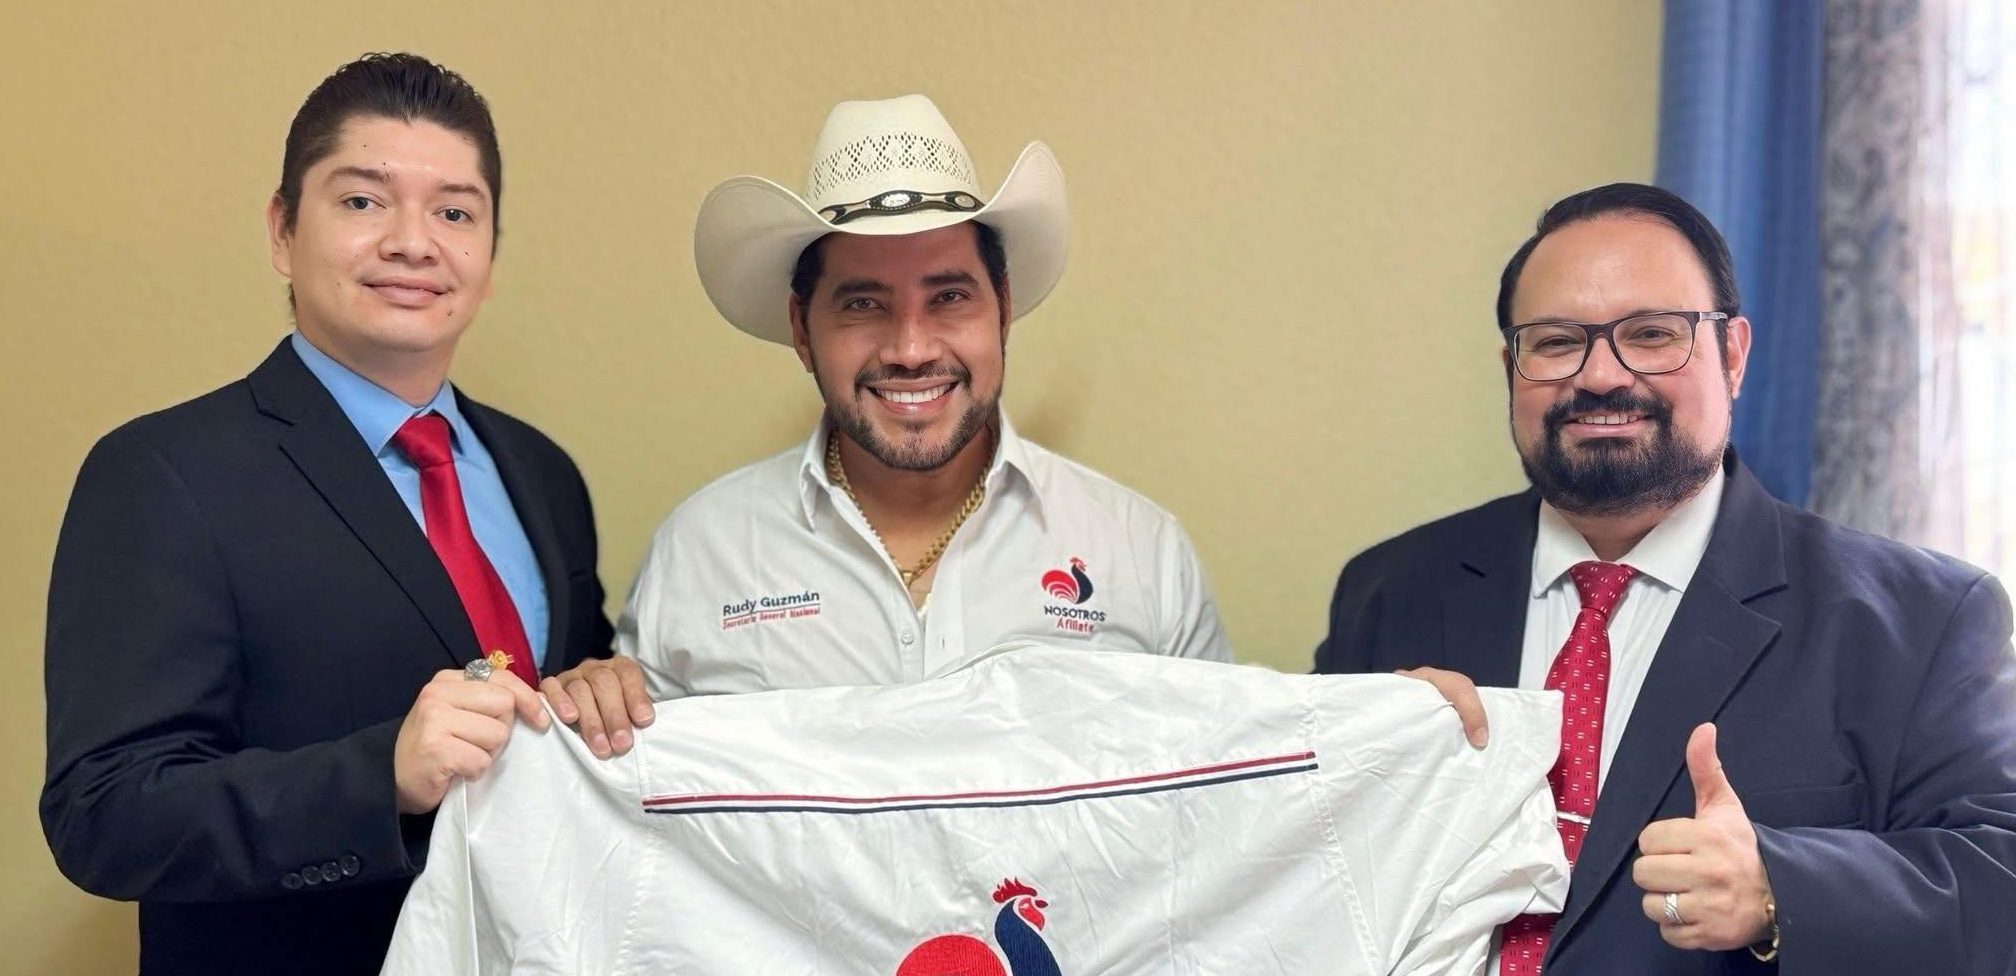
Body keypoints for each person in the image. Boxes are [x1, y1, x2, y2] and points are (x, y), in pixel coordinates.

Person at [1314, 182, 2016, 973]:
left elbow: (2013, 891)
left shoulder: (1921, 620)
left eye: (1652, 334)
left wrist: (1780, 888)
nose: (1600, 375)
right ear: (1511, 370)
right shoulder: (1391, 592)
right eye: (1556, 342)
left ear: (1733, 356)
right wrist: (1354, 781)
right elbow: (1298, 880)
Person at [40, 53, 614, 975]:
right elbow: (103, 812)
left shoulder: (542, 473)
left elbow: (566, 708)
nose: (413, 243)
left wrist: (602, 688)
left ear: (489, 256)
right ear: (282, 230)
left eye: (455, 212)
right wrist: (380, 775)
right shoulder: (162, 473)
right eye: (362, 201)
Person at [544, 95, 1228, 756]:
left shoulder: (1141, 554)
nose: (911, 349)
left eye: (949, 296)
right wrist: (589, 714)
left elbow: (1218, 803)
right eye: (863, 304)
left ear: (1003, 307)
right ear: (802, 330)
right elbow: (640, 806)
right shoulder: (700, 553)